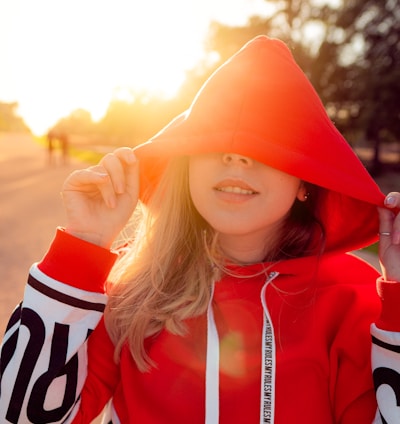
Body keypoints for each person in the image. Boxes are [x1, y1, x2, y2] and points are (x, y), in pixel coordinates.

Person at [1, 35, 400, 424]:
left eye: (269, 143)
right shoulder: (132, 288)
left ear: (305, 183)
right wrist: (83, 247)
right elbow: (18, 416)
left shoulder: (354, 298)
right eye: (215, 139)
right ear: (186, 163)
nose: (235, 155)